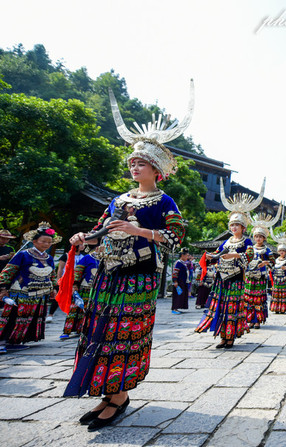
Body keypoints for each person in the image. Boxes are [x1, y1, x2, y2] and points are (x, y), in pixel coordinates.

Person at [64, 84, 190, 430]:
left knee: (124, 330)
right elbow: (101, 230)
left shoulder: (165, 203)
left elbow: (176, 237)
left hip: (139, 275)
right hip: (108, 273)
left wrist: (140, 232)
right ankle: (107, 393)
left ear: (156, 170)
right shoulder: (118, 200)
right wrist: (83, 238)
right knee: (99, 329)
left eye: (141, 163)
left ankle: (119, 395)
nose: (134, 167)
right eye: (132, 162)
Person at [195, 179, 265, 348]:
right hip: (221, 278)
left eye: (237, 225)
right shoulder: (225, 241)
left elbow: (249, 256)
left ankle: (230, 337)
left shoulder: (247, 242)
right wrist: (211, 256)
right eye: (232, 225)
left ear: (243, 227)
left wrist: (234, 255)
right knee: (220, 306)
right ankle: (221, 337)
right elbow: (219, 253)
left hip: (235, 279)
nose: (234, 228)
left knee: (231, 307)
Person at [0, 223, 59, 354]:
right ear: (34, 241)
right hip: (21, 291)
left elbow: (52, 274)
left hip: (39, 292)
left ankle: (16, 340)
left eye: (49, 242)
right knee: (14, 316)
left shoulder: (48, 258)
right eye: (43, 241)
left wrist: (53, 288)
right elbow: (8, 271)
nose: (46, 244)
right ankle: (3, 341)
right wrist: (3, 288)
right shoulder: (23, 255)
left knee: (29, 317)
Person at [60, 247, 100, 340]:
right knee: (75, 309)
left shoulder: (106, 259)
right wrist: (75, 285)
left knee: (90, 310)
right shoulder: (87, 258)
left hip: (98, 289)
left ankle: (81, 329)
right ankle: (67, 331)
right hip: (84, 288)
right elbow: (77, 272)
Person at [47, 244, 84, 323]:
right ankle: (50, 314)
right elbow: (60, 268)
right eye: (81, 245)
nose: (83, 246)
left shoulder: (83, 256)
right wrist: (58, 279)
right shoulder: (66, 255)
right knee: (58, 297)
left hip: (76, 280)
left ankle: (71, 316)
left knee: (74, 298)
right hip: (65, 279)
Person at [171, 248, 190, 314]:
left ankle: (178, 307)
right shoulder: (178, 263)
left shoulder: (183, 263)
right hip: (179, 282)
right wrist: (175, 281)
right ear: (182, 255)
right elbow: (175, 272)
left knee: (181, 295)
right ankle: (174, 309)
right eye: (187, 255)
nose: (188, 257)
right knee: (177, 295)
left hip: (183, 282)